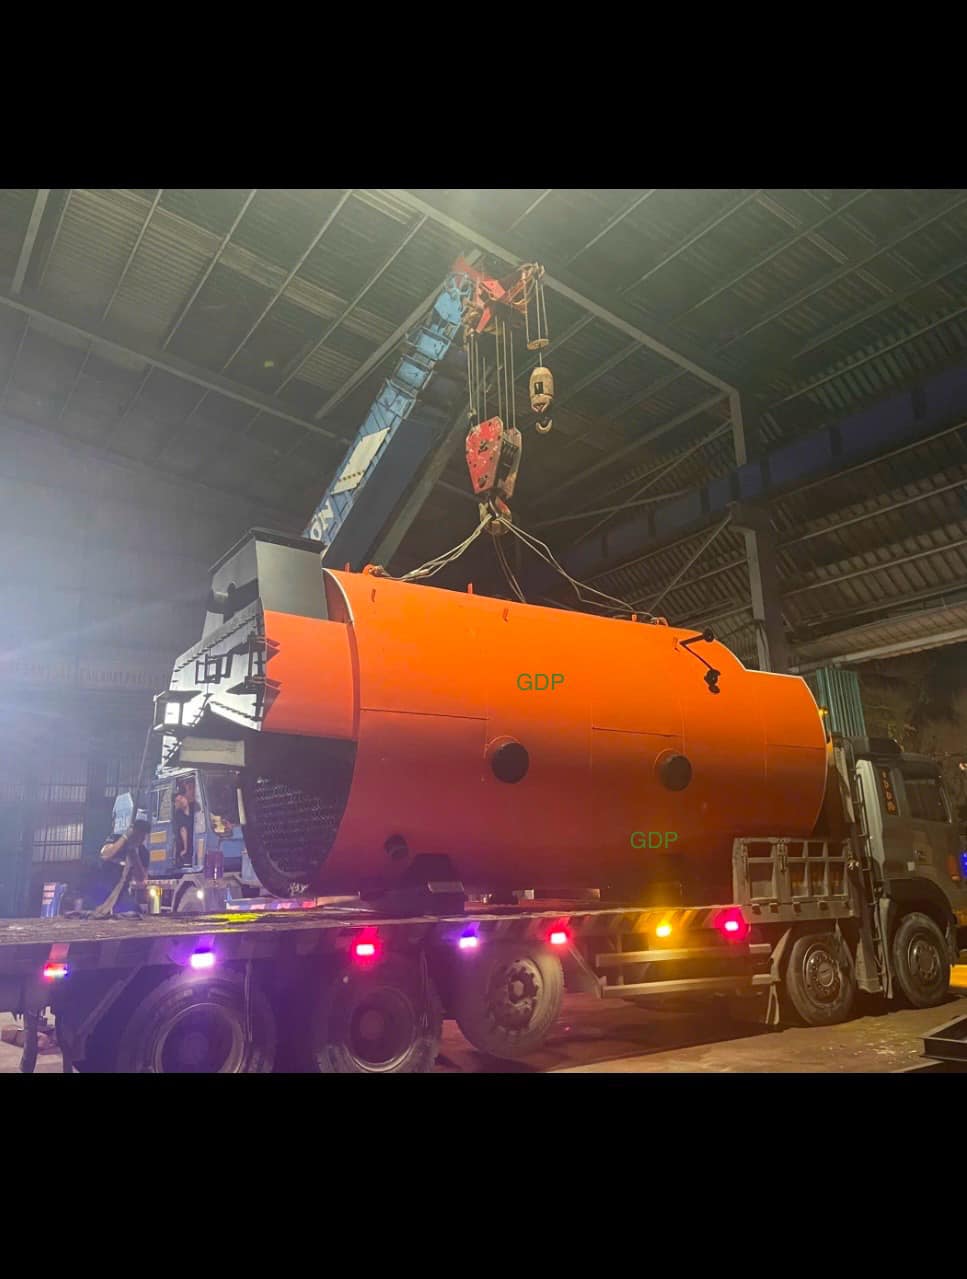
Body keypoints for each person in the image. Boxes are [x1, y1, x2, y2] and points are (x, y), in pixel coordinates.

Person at [93, 819, 150, 918]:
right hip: (103, 888)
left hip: (121, 893)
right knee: (95, 912)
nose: (140, 838)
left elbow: (141, 879)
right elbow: (105, 855)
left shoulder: (143, 852)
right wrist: (124, 838)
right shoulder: (115, 839)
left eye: (142, 836)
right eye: (137, 834)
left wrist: (134, 855)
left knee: (134, 912)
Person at [173, 785, 194, 869]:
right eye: (178, 800)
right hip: (184, 843)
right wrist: (185, 848)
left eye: (182, 798)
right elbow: (183, 830)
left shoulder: (194, 808)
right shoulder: (178, 814)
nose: (182, 801)